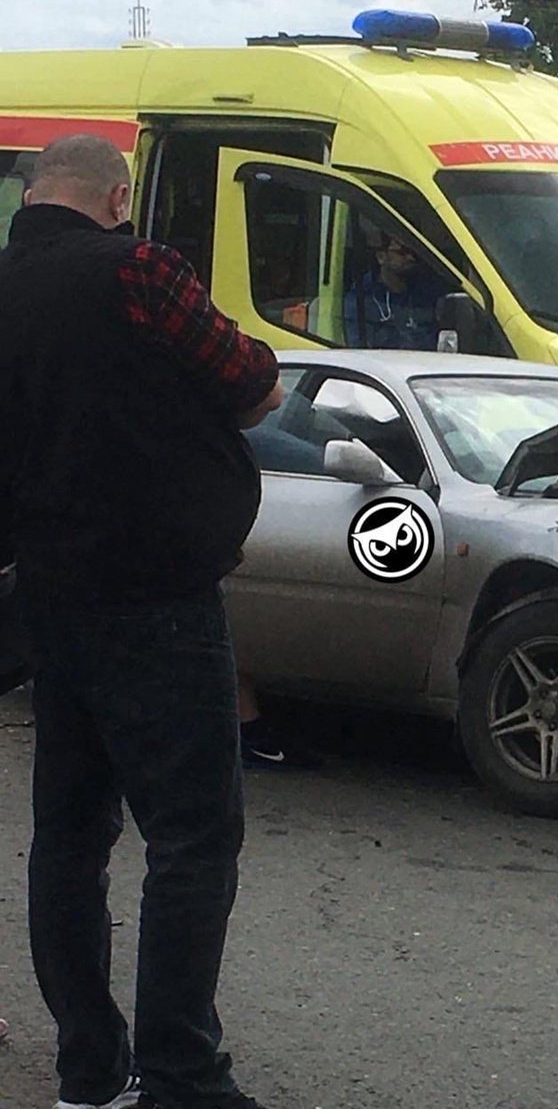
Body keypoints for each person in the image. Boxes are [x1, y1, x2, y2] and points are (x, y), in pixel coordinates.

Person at [0, 135, 284, 1109]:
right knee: (193, 837)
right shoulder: (138, 270)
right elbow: (253, 384)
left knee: (70, 835)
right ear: (118, 196)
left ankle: (91, 1069)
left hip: (46, 593)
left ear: (33, 195)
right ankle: (181, 1075)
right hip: (157, 594)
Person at [343, 232, 447, 349]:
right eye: (401, 253)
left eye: (413, 252)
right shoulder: (361, 299)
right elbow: (360, 352)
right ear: (381, 257)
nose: (410, 258)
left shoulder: (428, 292)